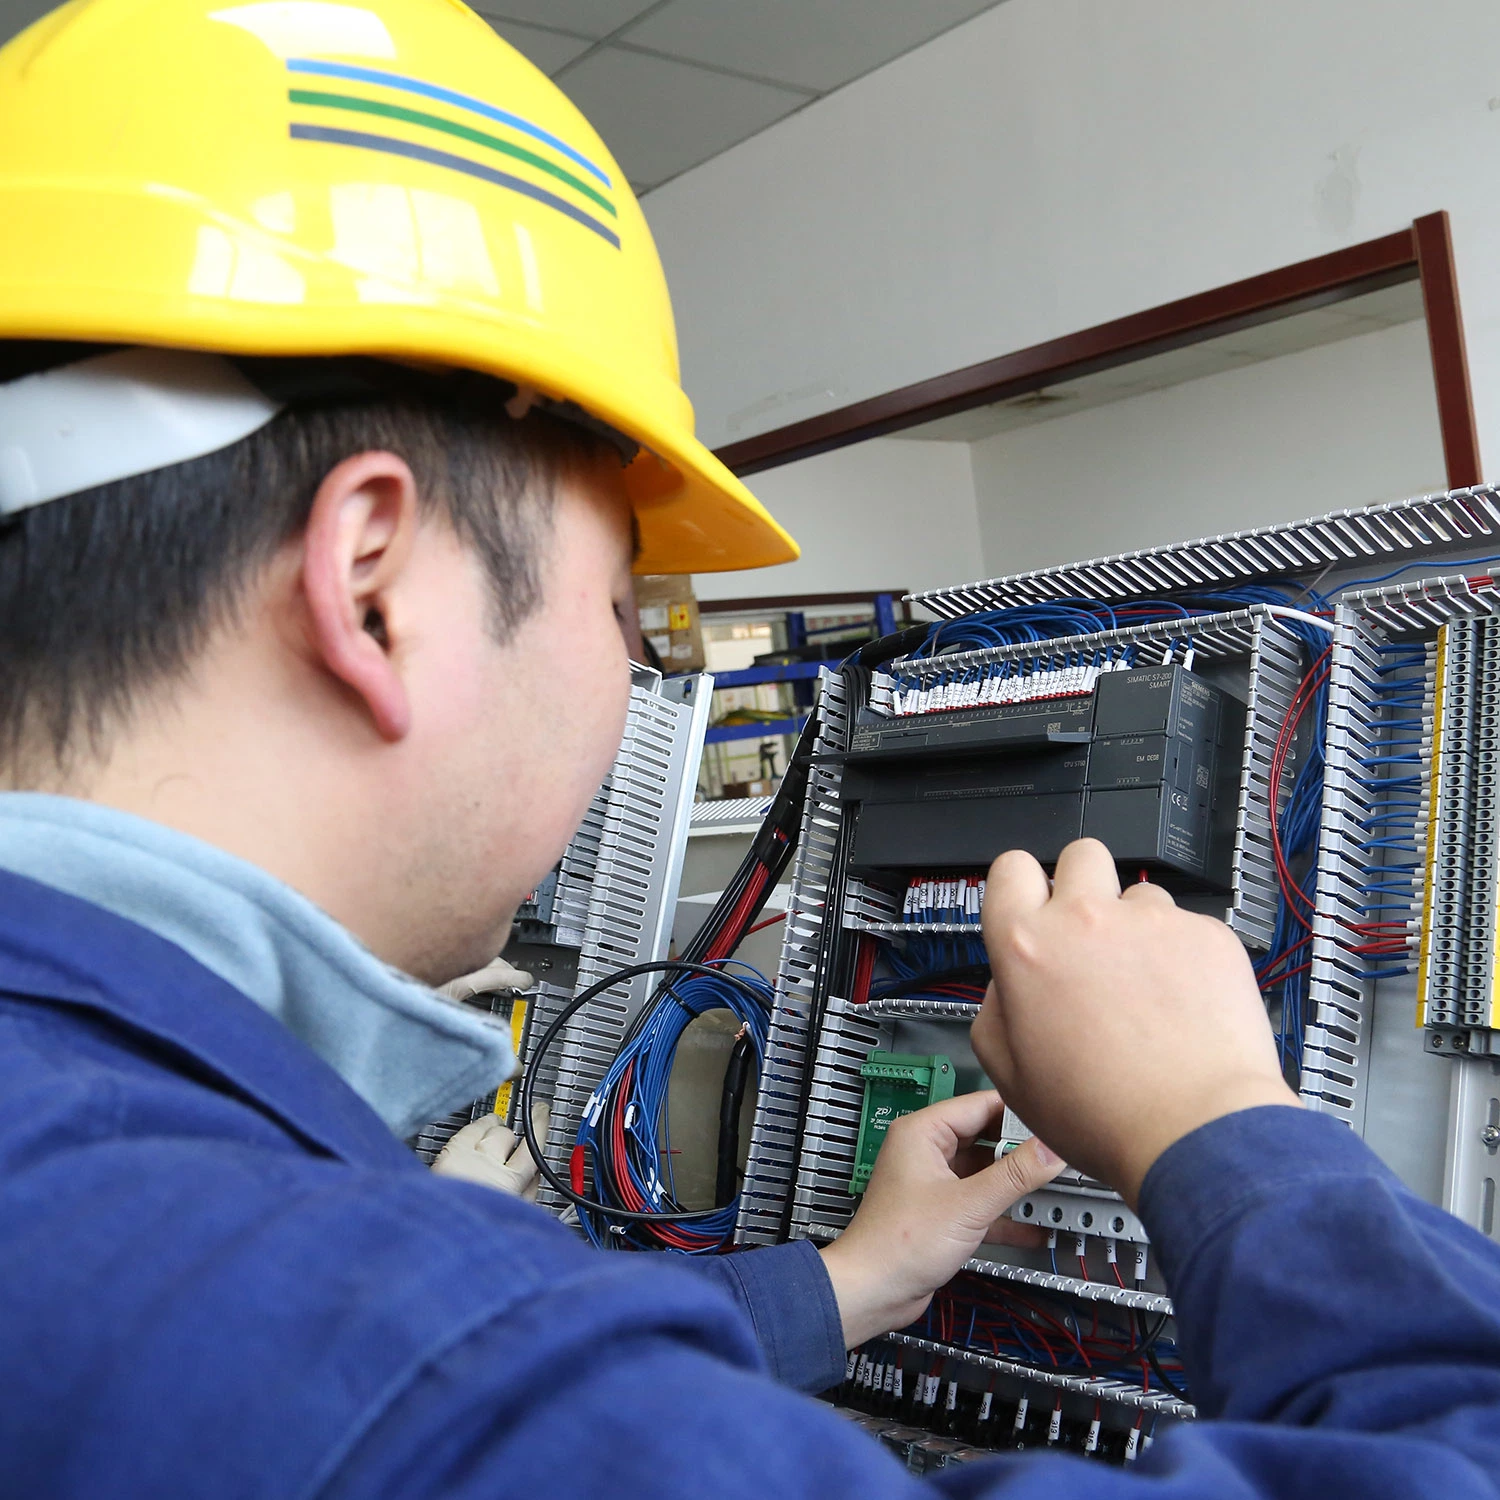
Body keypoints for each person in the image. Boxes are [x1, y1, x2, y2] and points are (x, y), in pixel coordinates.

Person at [0, 0, 1497, 1495]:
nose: (631, 676)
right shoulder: (377, 1363)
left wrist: (846, 1282)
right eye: (627, 610)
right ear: (375, 587)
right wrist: (1217, 1120)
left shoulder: (124, 1203)